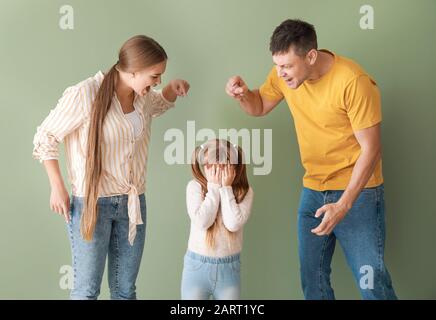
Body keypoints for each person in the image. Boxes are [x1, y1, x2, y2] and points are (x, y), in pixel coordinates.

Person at [225, 19, 397, 299]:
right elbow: (259, 106)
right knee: (313, 283)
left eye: (287, 66)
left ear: (311, 56)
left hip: (359, 194)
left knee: (372, 283)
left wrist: (343, 205)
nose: (281, 74)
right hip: (314, 190)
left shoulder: (353, 82)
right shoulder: (284, 75)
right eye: (277, 66)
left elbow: (372, 149)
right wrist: (243, 95)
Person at [33, 35, 190, 300]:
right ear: (133, 71)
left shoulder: (143, 98)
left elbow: (156, 106)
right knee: (87, 292)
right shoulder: (85, 94)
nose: (158, 82)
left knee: (125, 291)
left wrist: (171, 90)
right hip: (92, 204)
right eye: (155, 76)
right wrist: (57, 186)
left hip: (133, 204)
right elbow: (45, 137)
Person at [181, 139, 254, 300]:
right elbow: (202, 221)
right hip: (196, 268)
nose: (214, 171)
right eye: (209, 166)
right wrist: (213, 188)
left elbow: (233, 223)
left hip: (229, 270)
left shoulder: (244, 192)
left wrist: (226, 189)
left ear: (233, 167)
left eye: (221, 166)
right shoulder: (195, 187)